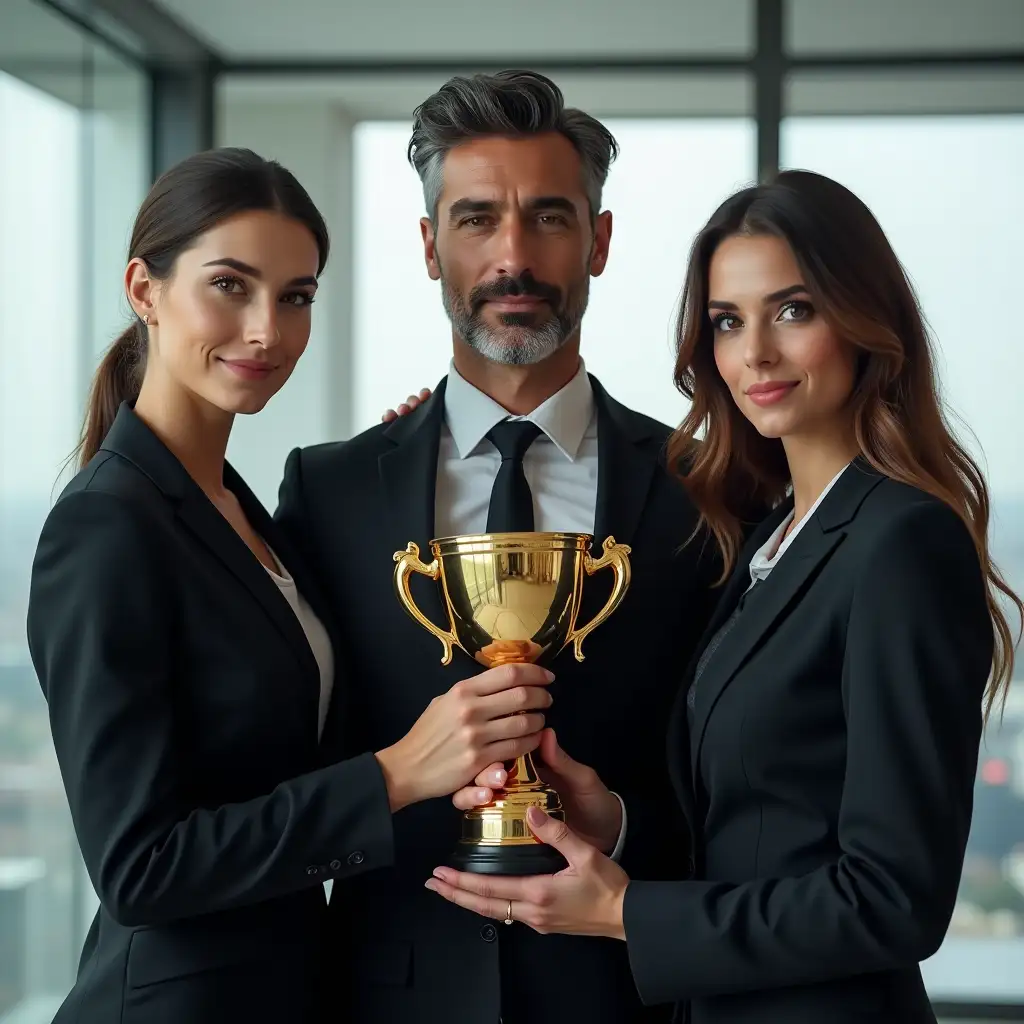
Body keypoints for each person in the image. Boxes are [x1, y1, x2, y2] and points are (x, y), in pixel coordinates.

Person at [424, 169, 1024, 1024]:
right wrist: (617, 825)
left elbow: (894, 898)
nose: (756, 355)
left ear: (864, 320)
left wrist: (626, 913)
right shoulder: (769, 537)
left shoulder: (900, 541)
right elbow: (757, 835)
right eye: (727, 323)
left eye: (794, 310)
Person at [26, 147, 550, 1024]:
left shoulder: (241, 511)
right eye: (230, 285)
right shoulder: (108, 524)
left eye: (296, 296)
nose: (268, 330)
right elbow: (138, 868)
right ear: (144, 290)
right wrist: (388, 778)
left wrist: (406, 466)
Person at [274, 70, 724, 1024]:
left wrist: (626, 823)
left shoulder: (707, 488)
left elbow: (736, 770)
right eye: (476, 219)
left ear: (599, 242)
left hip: (627, 998)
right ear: (431, 247)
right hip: (389, 998)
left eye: (549, 217)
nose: (512, 256)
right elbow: (294, 763)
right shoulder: (330, 490)